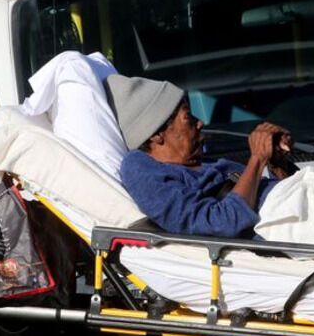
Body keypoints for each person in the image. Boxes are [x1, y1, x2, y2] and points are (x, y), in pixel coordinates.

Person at [107, 74, 293, 238]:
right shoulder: (140, 168)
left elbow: (278, 191)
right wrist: (257, 160)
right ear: (156, 133)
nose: (201, 123)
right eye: (188, 117)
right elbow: (221, 225)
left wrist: (276, 162)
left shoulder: (207, 163)